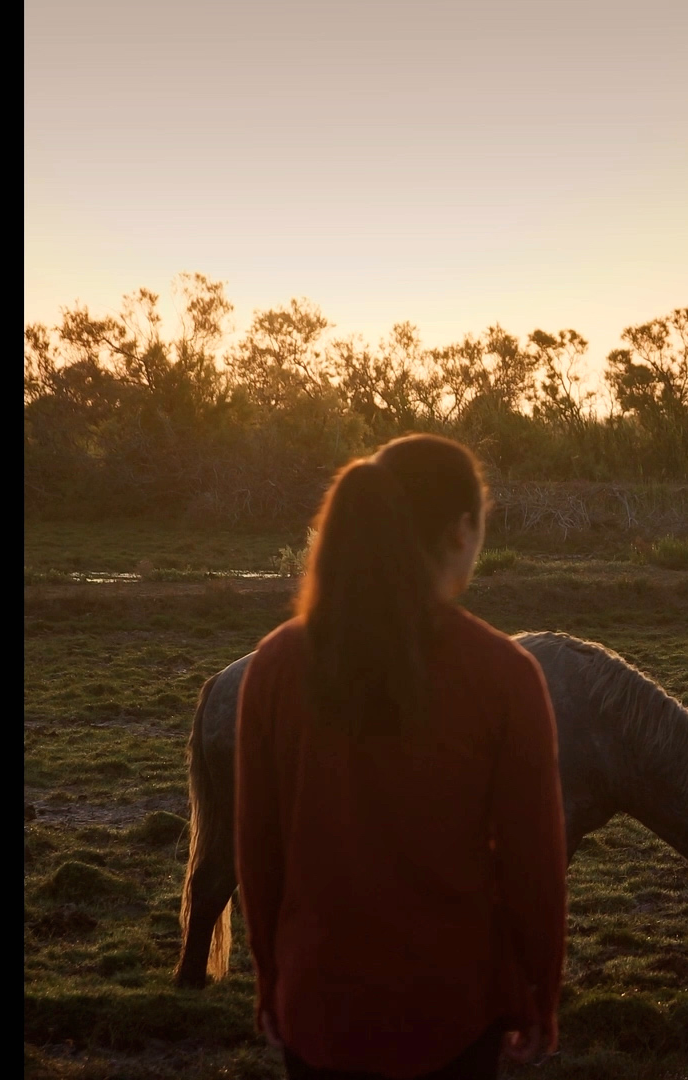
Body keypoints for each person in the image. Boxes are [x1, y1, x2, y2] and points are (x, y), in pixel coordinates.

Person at [235, 434, 566, 1080]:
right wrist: (540, 990)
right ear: (461, 530)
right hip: (450, 1013)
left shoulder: (274, 665)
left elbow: (259, 851)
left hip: (318, 1008)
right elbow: (535, 866)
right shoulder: (504, 675)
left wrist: (272, 977)